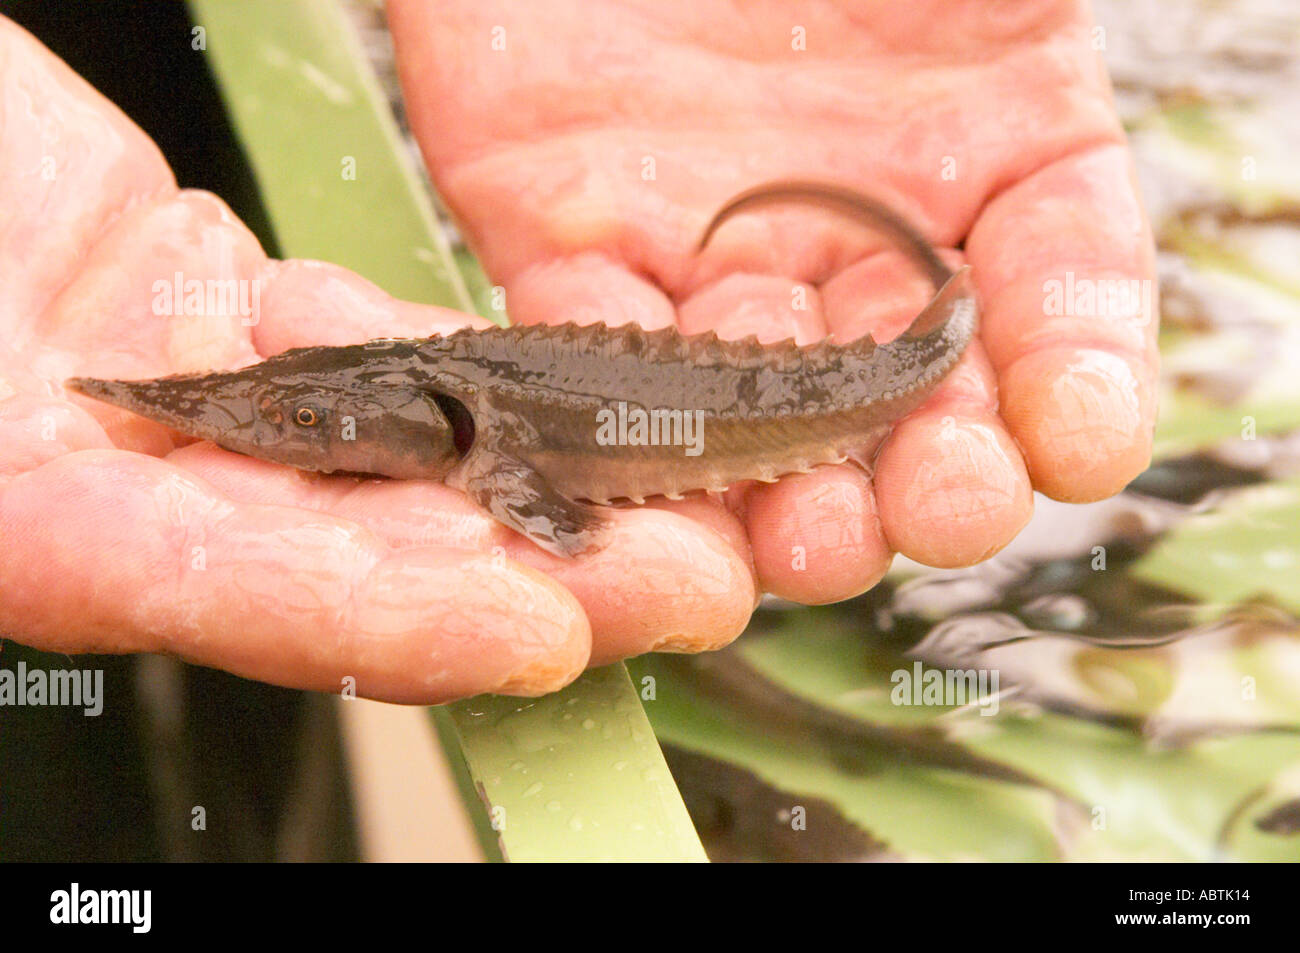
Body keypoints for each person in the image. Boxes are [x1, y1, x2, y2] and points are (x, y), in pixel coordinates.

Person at [0, 1, 1156, 703]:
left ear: (452, 433)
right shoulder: (439, 402)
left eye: (302, 422)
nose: (277, 427)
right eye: (293, 419)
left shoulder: (492, 453)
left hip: (847, 380)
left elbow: (565, 524)